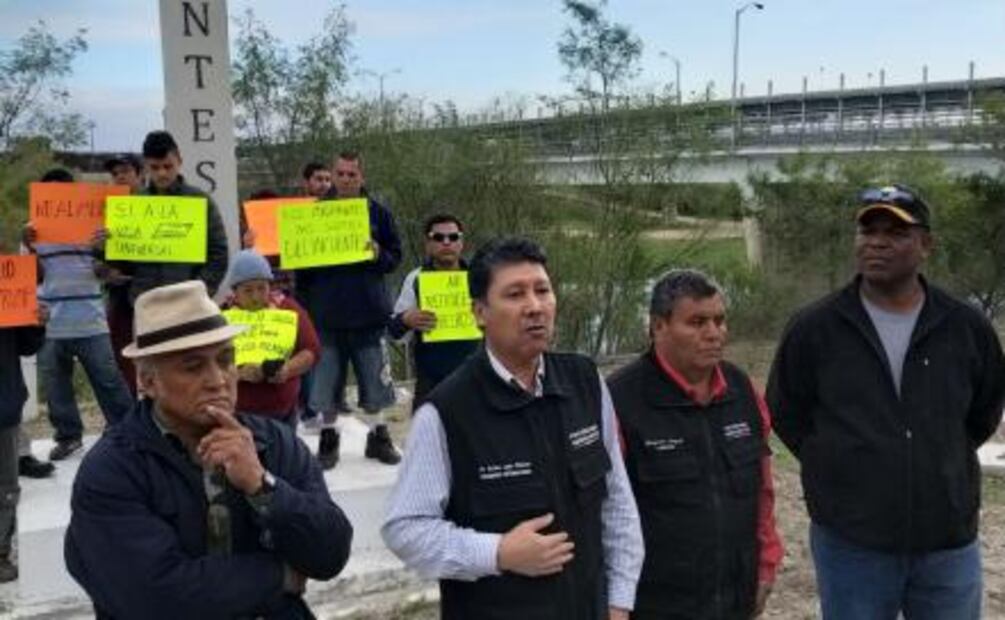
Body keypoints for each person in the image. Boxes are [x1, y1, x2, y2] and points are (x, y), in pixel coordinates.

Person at [766, 185, 1005, 620]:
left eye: (895, 232)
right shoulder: (815, 329)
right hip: (852, 543)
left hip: (946, 542)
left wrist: (937, 457)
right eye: (867, 230)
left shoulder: (965, 327)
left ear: (926, 245)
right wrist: (840, 465)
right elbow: (787, 412)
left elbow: (983, 411)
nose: (876, 241)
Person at [383, 237, 645, 620]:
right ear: (479, 312)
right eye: (515, 294)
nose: (535, 307)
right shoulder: (446, 411)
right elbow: (405, 529)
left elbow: (617, 499)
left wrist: (619, 602)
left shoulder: (585, 381)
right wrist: (498, 552)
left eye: (542, 290)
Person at [65, 280, 353, 618]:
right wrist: (280, 575)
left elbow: (330, 553)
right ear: (147, 381)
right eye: (193, 366)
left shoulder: (273, 442)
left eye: (225, 360)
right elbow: (154, 598)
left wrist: (263, 487)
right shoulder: (113, 469)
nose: (218, 379)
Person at [607, 269, 783, 619]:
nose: (714, 333)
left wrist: (767, 563)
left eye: (720, 321)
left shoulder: (742, 390)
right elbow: (606, 514)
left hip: (734, 593)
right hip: (656, 602)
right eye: (697, 322)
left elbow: (762, 489)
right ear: (658, 327)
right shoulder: (619, 400)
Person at [295, 151, 402, 468]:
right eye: (340, 174)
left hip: (369, 313)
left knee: (375, 380)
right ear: (333, 175)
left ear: (361, 177)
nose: (345, 180)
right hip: (326, 315)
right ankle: (329, 439)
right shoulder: (313, 215)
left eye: (351, 174)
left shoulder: (379, 214)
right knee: (326, 382)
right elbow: (302, 268)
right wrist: (306, 309)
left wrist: (378, 254)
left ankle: (379, 436)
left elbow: (394, 258)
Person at [23, 168, 134, 462]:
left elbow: (100, 270)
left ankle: (127, 432)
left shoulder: (93, 227)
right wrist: (31, 247)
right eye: (51, 192)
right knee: (56, 384)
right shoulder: (31, 232)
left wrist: (105, 259)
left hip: (90, 318)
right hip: (51, 321)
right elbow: (30, 278)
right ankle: (69, 436)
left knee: (109, 379)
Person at [93, 130, 230, 305]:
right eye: (155, 168)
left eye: (168, 166)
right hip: (145, 302)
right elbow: (126, 264)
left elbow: (219, 254)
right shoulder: (133, 204)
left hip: (189, 302)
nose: (162, 173)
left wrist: (200, 292)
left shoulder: (201, 201)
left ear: (179, 161)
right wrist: (104, 249)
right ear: (145, 167)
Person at [388, 213, 479, 411]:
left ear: (462, 242)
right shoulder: (415, 278)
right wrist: (406, 319)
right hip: (431, 382)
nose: (446, 242)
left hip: (477, 379)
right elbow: (395, 334)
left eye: (453, 237)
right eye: (438, 237)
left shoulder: (479, 277)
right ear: (427, 244)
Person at [221, 250, 320, 426]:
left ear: (270, 285)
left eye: (261, 288)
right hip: (238, 413)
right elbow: (210, 362)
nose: (256, 297)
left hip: (283, 411)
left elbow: (311, 350)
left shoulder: (288, 309)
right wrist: (237, 373)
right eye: (248, 290)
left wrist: (287, 369)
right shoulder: (223, 316)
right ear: (235, 291)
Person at [0, 287, 46, 582]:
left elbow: (27, 346)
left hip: (3, 403)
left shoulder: (8, 284)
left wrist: (36, 321)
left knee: (5, 485)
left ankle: (1, 551)